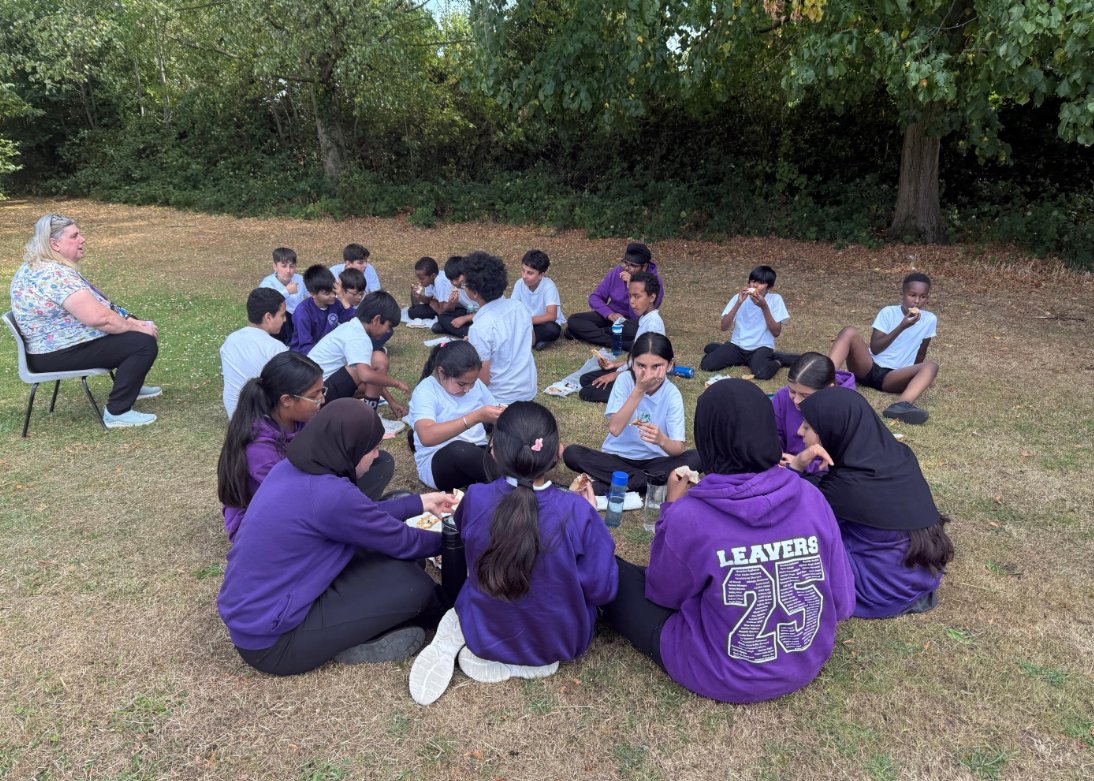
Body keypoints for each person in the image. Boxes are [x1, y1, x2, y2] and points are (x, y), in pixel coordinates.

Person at [600, 379, 856, 703]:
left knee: (613, 573)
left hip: (718, 672)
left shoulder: (691, 515)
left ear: (707, 438)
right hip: (803, 660)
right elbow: (843, 602)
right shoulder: (811, 496)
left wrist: (673, 509)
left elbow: (664, 594)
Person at [217, 399, 456, 675]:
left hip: (274, 607)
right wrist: (458, 540)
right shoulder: (329, 494)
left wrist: (420, 502)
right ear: (351, 450)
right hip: (275, 643)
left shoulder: (294, 468)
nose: (377, 456)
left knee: (400, 563)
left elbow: (361, 517)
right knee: (415, 587)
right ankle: (359, 638)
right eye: (373, 448)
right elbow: (405, 542)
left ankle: (356, 628)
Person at [408, 402, 618, 704]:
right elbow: (603, 589)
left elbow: (471, 538)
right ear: (555, 451)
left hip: (483, 629)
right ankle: (525, 660)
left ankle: (473, 641)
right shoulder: (576, 512)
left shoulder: (477, 497)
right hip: (559, 641)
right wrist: (592, 519)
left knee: (471, 599)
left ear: (494, 450)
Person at [792, 386, 954, 618]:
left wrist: (796, 467)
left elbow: (790, 511)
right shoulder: (899, 454)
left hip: (881, 590)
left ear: (833, 432)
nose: (799, 432)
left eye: (808, 427)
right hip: (919, 573)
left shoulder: (844, 488)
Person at [9, 214, 161, 428]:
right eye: (75, 235)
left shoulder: (38, 266)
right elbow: (98, 318)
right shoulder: (54, 274)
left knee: (133, 329)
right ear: (55, 244)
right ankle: (117, 413)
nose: (83, 239)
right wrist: (138, 326)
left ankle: (130, 384)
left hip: (50, 349)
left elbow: (100, 310)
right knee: (142, 344)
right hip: (54, 355)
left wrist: (132, 321)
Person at [563, 333, 700, 494]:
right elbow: (614, 428)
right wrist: (639, 390)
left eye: (656, 366)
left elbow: (677, 449)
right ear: (631, 363)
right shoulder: (624, 381)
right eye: (641, 365)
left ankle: (618, 484)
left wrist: (661, 439)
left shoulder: (672, 393)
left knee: (698, 457)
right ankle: (645, 483)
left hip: (656, 461)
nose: (647, 373)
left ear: (669, 365)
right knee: (571, 453)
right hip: (617, 458)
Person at [218, 352, 323, 540]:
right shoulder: (258, 446)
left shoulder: (300, 420)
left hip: (298, 499)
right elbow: (290, 495)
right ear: (286, 400)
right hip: (258, 524)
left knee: (377, 464)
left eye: (322, 391)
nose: (321, 400)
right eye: (314, 395)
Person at [827, 272, 939, 424]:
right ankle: (823, 379)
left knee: (931, 366)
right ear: (903, 294)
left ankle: (901, 405)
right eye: (912, 295)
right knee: (849, 332)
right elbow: (876, 347)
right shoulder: (888, 312)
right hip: (868, 367)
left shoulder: (930, 319)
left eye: (923, 296)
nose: (917, 301)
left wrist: (914, 377)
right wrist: (901, 327)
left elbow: (921, 354)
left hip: (892, 377)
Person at [407, 341, 506, 490]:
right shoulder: (425, 391)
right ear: (441, 373)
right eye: (461, 384)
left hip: (477, 453)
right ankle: (515, 482)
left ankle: (507, 476)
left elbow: (498, 414)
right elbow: (426, 436)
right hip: (439, 463)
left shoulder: (476, 385)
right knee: (459, 450)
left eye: (472, 383)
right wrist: (475, 417)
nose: (467, 389)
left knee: (518, 439)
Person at [307, 291, 409, 416]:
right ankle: (369, 417)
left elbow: (373, 379)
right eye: (389, 326)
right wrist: (397, 383)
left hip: (315, 392)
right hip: (318, 395)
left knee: (368, 380)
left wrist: (391, 401)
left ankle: (364, 415)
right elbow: (366, 375)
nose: (388, 331)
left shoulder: (352, 327)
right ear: (376, 319)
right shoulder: (359, 337)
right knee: (378, 359)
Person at [578, 271, 664, 403]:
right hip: (631, 371)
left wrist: (615, 374)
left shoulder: (653, 325)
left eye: (636, 296)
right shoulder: (645, 319)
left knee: (587, 392)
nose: (631, 302)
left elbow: (648, 367)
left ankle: (635, 396)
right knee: (585, 379)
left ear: (652, 297)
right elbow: (639, 358)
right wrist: (615, 365)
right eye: (630, 296)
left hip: (641, 380)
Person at [463, 251, 538, 404]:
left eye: (464, 285)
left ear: (475, 292)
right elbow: (532, 340)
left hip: (500, 400)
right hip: (528, 393)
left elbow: (483, 381)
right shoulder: (518, 306)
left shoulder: (480, 328)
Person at [700, 264, 795, 378]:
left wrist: (764, 307)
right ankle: (738, 357)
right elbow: (724, 327)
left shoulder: (775, 299)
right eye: (752, 281)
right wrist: (738, 303)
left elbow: (776, 332)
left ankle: (779, 360)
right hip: (737, 345)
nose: (755, 285)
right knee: (706, 365)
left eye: (760, 283)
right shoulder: (738, 297)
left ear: (769, 287)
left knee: (762, 374)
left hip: (761, 347)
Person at [565, 242, 665, 348]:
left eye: (632, 266)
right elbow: (595, 297)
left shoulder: (653, 282)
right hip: (612, 316)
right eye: (625, 263)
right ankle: (614, 341)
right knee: (574, 319)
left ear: (644, 266)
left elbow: (639, 316)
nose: (626, 268)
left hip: (631, 322)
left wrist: (630, 286)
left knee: (635, 331)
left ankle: (590, 334)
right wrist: (609, 314)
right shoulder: (617, 271)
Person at [770, 352, 856, 472]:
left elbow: (843, 464)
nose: (796, 400)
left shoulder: (845, 409)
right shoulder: (782, 396)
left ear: (829, 389)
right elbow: (773, 433)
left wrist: (800, 463)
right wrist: (775, 454)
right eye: (792, 391)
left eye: (805, 395)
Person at [219, 288, 289, 417]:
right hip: (264, 421)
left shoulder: (230, 339)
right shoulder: (276, 348)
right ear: (268, 317)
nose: (285, 320)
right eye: (282, 315)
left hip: (235, 419)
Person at [510, 249, 565, 351]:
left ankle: (524, 341)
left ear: (541, 275)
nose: (524, 276)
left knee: (553, 329)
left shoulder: (548, 286)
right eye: (523, 270)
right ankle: (536, 341)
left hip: (542, 323)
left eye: (530, 273)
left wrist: (526, 321)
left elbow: (551, 315)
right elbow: (513, 308)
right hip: (525, 324)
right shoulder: (519, 284)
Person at [290, 264, 342, 354]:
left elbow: (354, 322)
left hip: (327, 351)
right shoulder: (303, 312)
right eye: (327, 293)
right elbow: (305, 346)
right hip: (303, 357)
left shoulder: (336, 303)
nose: (333, 296)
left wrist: (343, 298)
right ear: (313, 293)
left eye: (334, 291)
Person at [259, 247, 306, 345]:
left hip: (299, 318)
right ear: (275, 267)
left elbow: (313, 294)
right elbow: (265, 303)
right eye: (284, 266)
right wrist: (286, 291)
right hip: (280, 322)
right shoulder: (267, 284)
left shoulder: (300, 279)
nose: (288, 270)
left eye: (292, 266)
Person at [408, 256, 440, 320]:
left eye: (422, 278)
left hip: (456, 309)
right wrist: (419, 296)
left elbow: (446, 309)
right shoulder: (430, 281)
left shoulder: (440, 281)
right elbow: (428, 300)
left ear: (433, 275)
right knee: (413, 311)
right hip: (440, 306)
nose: (420, 281)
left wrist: (436, 307)